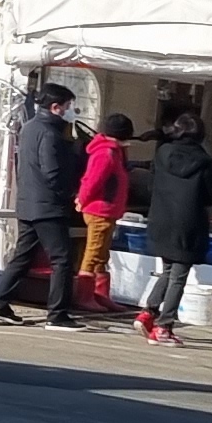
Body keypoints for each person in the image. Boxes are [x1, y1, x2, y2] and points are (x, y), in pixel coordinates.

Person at [0, 81, 85, 328]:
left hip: (28, 202)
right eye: (68, 106)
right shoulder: (50, 133)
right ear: (56, 107)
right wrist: (69, 192)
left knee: (23, 255)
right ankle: (57, 314)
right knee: (62, 259)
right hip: (48, 206)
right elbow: (52, 170)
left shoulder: (30, 127)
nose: (71, 111)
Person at [139, 108, 212, 345]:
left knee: (167, 270)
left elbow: (151, 185)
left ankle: (148, 313)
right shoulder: (204, 160)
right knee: (178, 276)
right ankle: (164, 326)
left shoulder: (162, 152)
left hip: (162, 219)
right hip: (188, 223)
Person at [75, 113, 138, 310]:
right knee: (93, 253)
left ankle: (100, 295)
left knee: (102, 254)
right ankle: (85, 297)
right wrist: (82, 199)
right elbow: (92, 181)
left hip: (108, 210)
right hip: (100, 210)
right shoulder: (106, 153)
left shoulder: (115, 152)